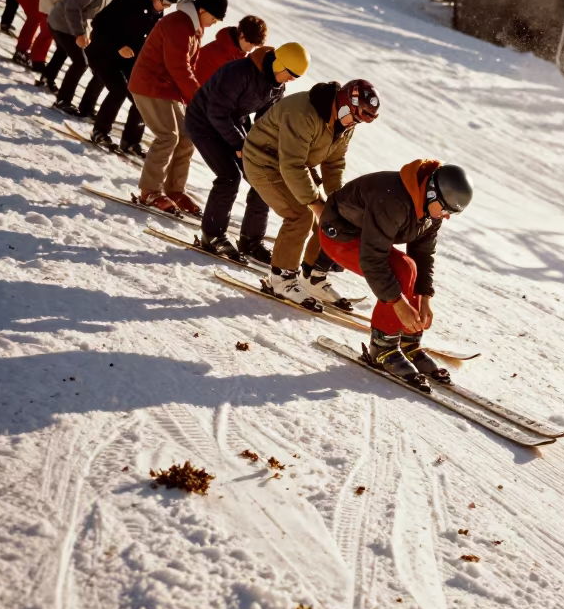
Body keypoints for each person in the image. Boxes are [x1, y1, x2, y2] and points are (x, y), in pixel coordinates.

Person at [318, 161, 473, 386]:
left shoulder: (432, 210)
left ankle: (408, 340)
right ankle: (382, 347)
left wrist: (424, 299)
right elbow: (373, 260)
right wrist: (399, 304)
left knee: (412, 267)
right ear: (432, 194)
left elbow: (423, 253)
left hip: (369, 236)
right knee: (402, 270)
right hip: (340, 235)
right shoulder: (394, 201)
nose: (447, 216)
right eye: (447, 209)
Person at [243, 78, 380, 305]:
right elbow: (291, 165)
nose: (352, 123)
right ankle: (281, 280)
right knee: (301, 214)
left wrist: (338, 203)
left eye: (358, 121)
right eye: (352, 117)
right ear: (343, 103)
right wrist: (315, 204)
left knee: (330, 216)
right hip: (263, 160)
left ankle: (312, 276)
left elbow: (334, 163)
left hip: (295, 164)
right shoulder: (303, 112)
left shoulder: (346, 124)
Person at [186, 42, 309, 262]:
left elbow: (266, 121)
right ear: (279, 64)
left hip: (234, 123)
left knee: (262, 178)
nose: (291, 80)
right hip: (204, 122)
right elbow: (217, 112)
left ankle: (251, 241)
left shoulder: (276, 85)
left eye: (296, 77)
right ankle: (212, 235)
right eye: (291, 74)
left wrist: (267, 149)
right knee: (229, 176)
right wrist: (240, 145)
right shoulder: (238, 73)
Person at [128, 0, 228, 213]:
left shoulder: (193, 28)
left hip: (167, 89)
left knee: (186, 135)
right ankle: (149, 191)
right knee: (167, 136)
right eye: (213, 18)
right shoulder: (178, 25)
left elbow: (189, 68)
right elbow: (178, 67)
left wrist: (194, 98)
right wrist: (198, 98)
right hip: (150, 85)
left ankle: (174, 190)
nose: (213, 24)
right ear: (202, 10)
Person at [84, 0, 178, 155]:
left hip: (127, 60)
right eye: (164, 3)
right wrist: (118, 45)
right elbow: (99, 23)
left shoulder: (157, 15)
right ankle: (100, 132)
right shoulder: (128, 1)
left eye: (169, 5)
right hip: (103, 52)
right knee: (118, 90)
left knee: (141, 96)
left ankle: (130, 141)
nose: (165, 8)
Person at [48, 0, 128, 117]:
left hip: (79, 27)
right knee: (80, 62)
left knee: (101, 66)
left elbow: (100, 16)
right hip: (61, 23)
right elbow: (71, 8)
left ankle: (87, 107)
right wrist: (79, 34)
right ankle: (62, 101)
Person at [194, 14, 268, 85]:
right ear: (242, 35)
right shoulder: (218, 54)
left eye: (255, 46)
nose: (251, 49)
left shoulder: (238, 56)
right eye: (251, 43)